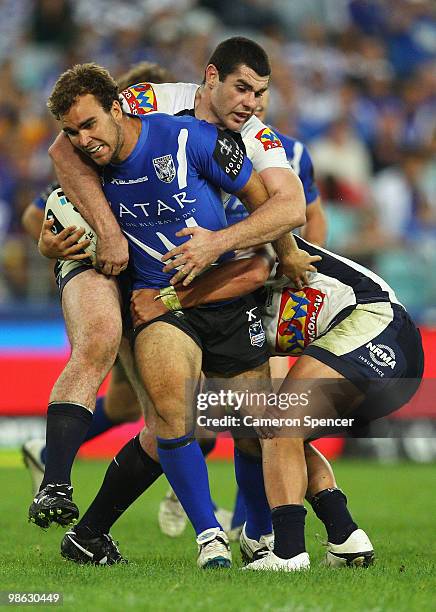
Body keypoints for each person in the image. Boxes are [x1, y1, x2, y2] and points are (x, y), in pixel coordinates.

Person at [30, 39, 314, 533]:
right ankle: (65, 487)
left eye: (261, 93)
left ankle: (253, 532)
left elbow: (291, 209)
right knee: (127, 372)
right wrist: (96, 235)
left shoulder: (261, 140)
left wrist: (270, 249)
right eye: (242, 89)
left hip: (205, 274)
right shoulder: (152, 100)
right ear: (211, 78)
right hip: (123, 265)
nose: (252, 104)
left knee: (241, 418)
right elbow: (64, 149)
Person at [128, 233, 422, 571]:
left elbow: (259, 257)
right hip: (387, 358)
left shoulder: (234, 245)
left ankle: (288, 552)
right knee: (261, 431)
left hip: (376, 324)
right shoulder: (218, 316)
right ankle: (344, 535)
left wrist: (166, 299)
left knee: (278, 424)